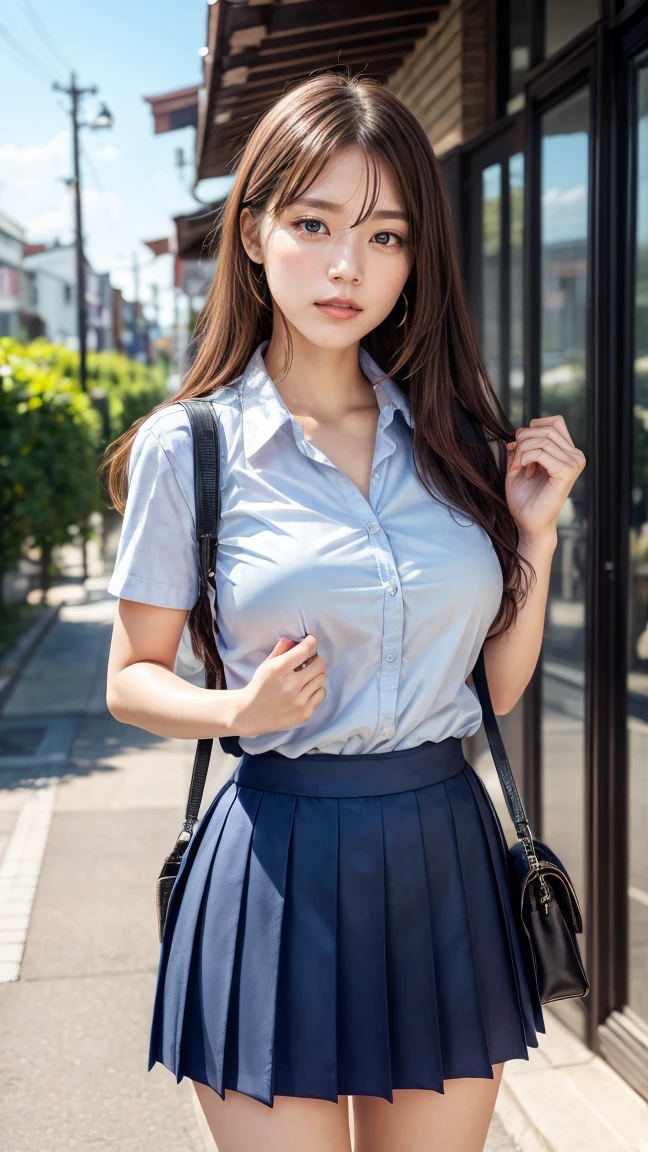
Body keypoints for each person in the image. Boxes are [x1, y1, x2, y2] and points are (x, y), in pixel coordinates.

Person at [102, 72, 585, 1152]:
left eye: (384, 236)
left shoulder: (455, 438)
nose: (345, 267)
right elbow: (129, 676)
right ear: (256, 229)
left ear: (417, 261)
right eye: (314, 224)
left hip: (444, 856)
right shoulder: (195, 446)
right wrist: (241, 708)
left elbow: (491, 694)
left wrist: (538, 542)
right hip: (276, 860)